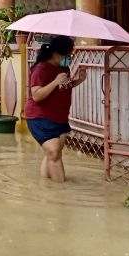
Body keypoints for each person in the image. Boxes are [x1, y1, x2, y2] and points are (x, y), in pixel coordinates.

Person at [26, 35, 86, 183]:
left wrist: (78, 80)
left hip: (59, 117)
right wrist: (54, 82)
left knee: (53, 154)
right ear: (57, 52)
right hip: (40, 117)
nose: (70, 57)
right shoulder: (40, 69)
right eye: (69, 54)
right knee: (54, 153)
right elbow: (37, 96)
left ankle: (46, 188)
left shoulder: (63, 68)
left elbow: (63, 87)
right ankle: (61, 194)